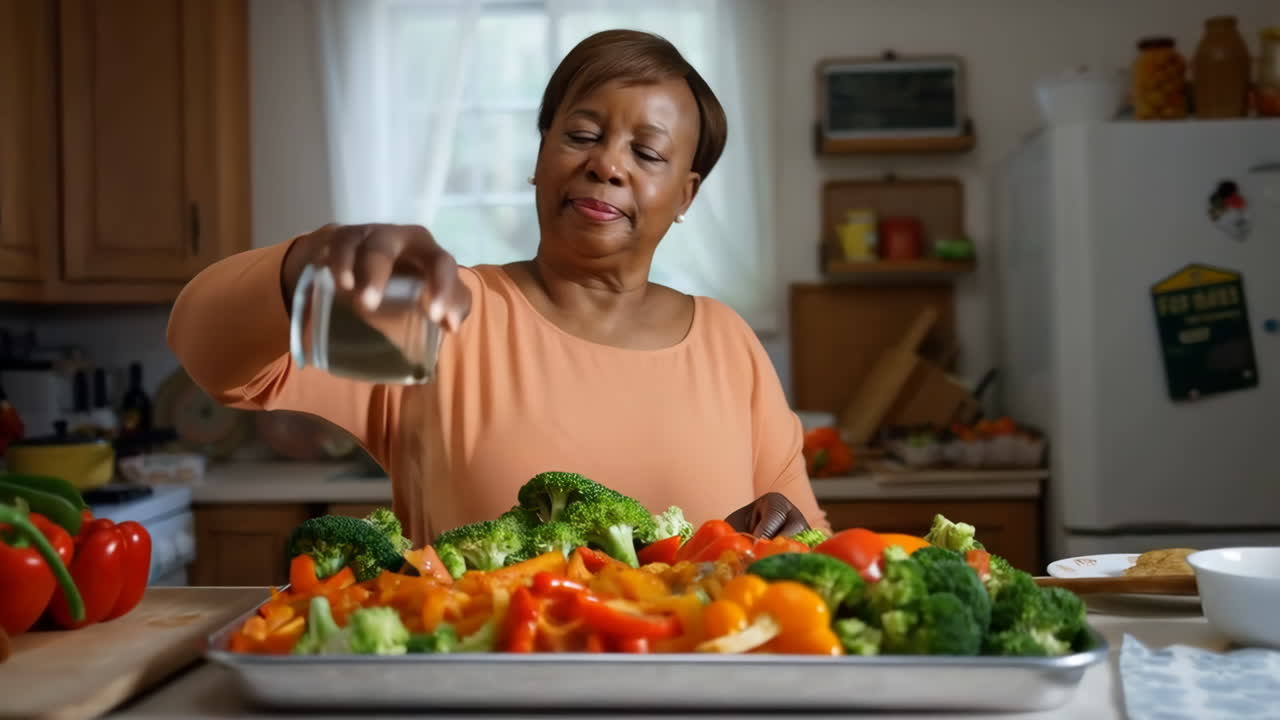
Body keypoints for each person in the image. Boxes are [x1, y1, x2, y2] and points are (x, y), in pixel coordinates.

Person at [168, 29, 828, 546]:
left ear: (685, 195)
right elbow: (207, 350)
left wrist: (783, 533)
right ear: (541, 159)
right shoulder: (442, 313)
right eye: (582, 136)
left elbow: (807, 537)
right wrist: (309, 261)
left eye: (647, 153)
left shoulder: (727, 344)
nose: (605, 164)